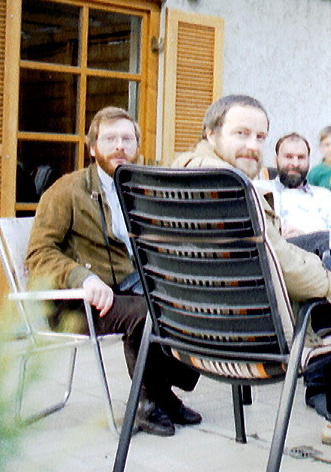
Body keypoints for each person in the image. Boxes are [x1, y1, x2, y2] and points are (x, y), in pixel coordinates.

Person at [172, 95, 331, 444]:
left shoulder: (180, 172)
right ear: (211, 134)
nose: (252, 145)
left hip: (189, 326)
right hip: (253, 331)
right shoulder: (227, 183)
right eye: (241, 133)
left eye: (260, 137)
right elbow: (279, 263)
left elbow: (269, 254)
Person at [25, 107, 201, 437]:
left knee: (187, 301)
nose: (120, 146)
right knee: (148, 313)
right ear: (93, 148)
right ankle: (147, 402)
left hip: (126, 289)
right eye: (110, 139)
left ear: (137, 147)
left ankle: (163, 392)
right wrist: (83, 278)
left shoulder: (140, 188)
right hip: (75, 303)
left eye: (127, 139)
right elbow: (38, 253)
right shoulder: (67, 191)